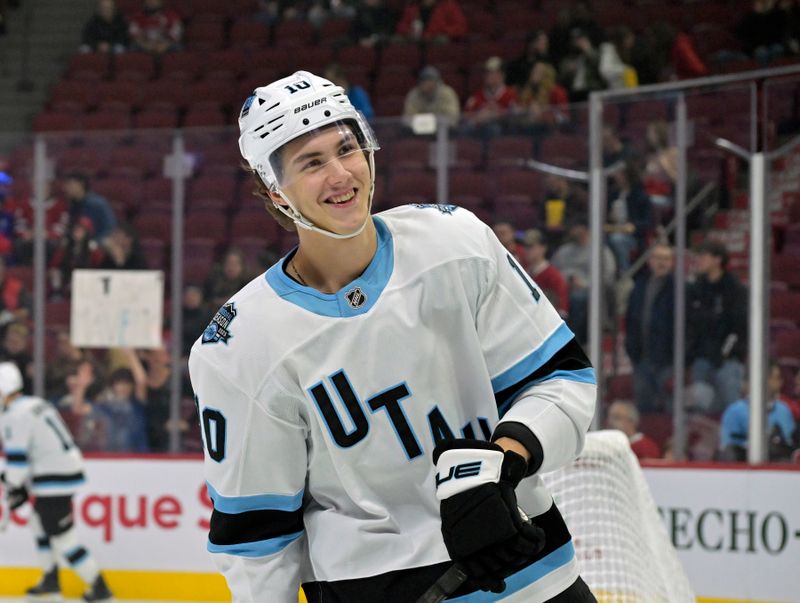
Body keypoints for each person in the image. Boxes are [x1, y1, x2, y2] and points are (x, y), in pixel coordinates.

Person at [189, 70, 597, 602]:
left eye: (347, 148)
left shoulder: (456, 244)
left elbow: (562, 381)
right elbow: (257, 540)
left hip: (533, 575)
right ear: (275, 189)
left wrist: (506, 458)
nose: (341, 174)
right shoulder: (240, 346)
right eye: (311, 163)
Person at [0, 362, 114, 602]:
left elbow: (18, 462)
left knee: (63, 538)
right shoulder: (35, 404)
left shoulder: (13, 415)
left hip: (54, 480)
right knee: (38, 523)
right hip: (61, 473)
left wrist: (12, 485)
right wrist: (14, 484)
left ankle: (98, 586)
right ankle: (50, 580)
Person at [686, 239, 747, 413]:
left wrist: (723, 354)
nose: (699, 261)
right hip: (701, 359)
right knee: (699, 410)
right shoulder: (696, 288)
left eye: (704, 256)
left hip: (727, 361)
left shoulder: (734, 290)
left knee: (731, 408)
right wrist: (692, 352)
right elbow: (691, 324)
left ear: (718, 260)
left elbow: (739, 329)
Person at [624, 242, 675, 414]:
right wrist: (632, 349)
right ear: (650, 261)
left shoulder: (678, 288)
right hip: (642, 357)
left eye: (667, 259)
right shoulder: (639, 286)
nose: (662, 263)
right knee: (644, 407)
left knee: (671, 405)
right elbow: (631, 320)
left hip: (668, 359)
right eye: (659, 258)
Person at [719, 362, 796, 462]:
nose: (780, 382)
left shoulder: (784, 410)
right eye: (775, 378)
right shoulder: (734, 412)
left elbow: (789, 444)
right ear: (763, 380)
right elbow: (728, 449)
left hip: (779, 469)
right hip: (744, 470)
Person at [522, 228, 569, 319]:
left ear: (543, 248)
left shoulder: (553, 275)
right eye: (525, 246)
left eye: (531, 247)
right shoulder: (524, 272)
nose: (526, 250)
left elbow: (563, 311)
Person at [62, 171, 117, 242]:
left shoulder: (97, 204)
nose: (65, 188)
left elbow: (110, 229)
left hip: (96, 245)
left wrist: (94, 244)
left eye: (69, 184)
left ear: (81, 184)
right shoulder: (73, 205)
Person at [395, 0, 467, 43]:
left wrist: (443, 31)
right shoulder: (412, 6)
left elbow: (461, 27)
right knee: (397, 39)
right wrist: (408, 32)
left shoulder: (448, 5)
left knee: (441, 40)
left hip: (435, 39)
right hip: (415, 39)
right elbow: (402, 25)